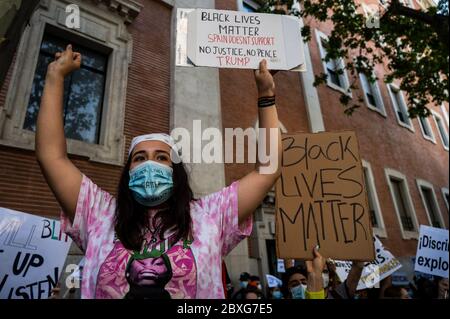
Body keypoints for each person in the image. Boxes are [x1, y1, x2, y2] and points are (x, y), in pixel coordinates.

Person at [36, 44, 282, 299]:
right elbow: (51, 156)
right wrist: (55, 76)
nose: (149, 165)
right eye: (139, 158)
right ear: (128, 171)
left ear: (175, 172)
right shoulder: (99, 213)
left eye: (161, 157)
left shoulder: (210, 215)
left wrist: (266, 95)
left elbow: (268, 170)